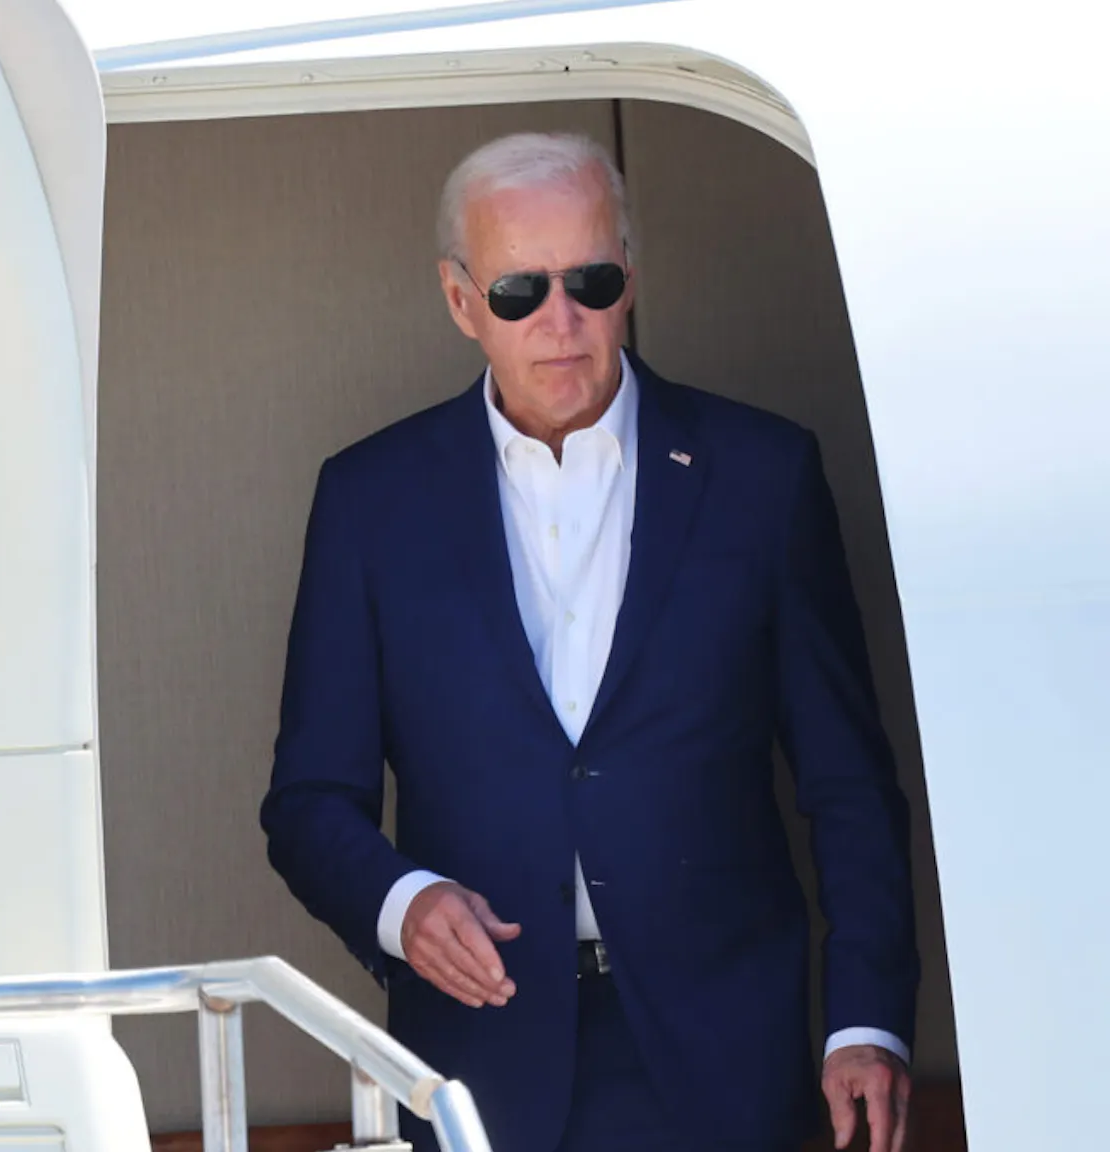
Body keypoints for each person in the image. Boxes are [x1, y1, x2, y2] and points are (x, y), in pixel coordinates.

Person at [258, 131, 920, 1152]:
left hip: (725, 1059)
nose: (560, 321)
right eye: (519, 291)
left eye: (592, 282)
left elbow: (848, 784)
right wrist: (402, 903)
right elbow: (307, 802)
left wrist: (865, 1021)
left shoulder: (763, 475)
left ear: (630, 280)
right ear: (460, 301)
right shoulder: (369, 501)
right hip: (478, 1061)